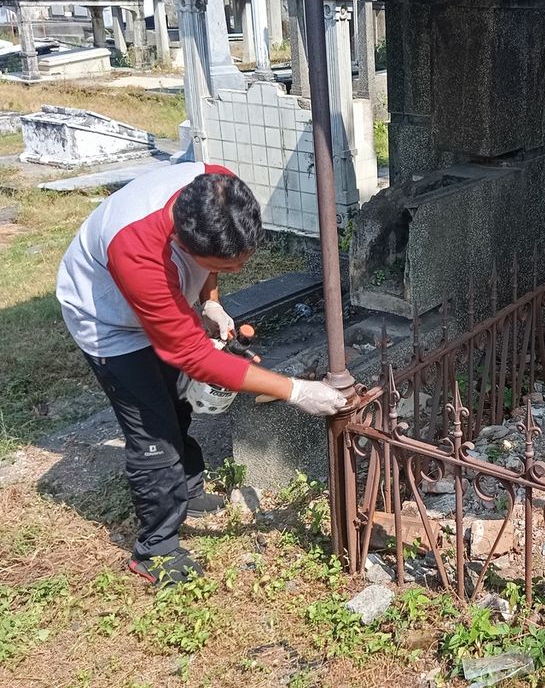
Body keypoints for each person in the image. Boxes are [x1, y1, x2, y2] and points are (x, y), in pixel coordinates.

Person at [57, 162, 347, 585]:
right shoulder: (136, 250)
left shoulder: (218, 189)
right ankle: (154, 549)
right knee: (153, 431)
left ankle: (188, 489)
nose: (237, 273)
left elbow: (211, 269)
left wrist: (210, 300)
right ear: (180, 241)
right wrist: (296, 391)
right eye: (226, 268)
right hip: (109, 322)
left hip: (162, 299)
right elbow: (192, 355)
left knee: (177, 400)